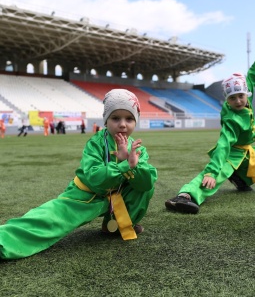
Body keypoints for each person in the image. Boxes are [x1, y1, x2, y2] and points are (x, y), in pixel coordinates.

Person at [0, 89, 158, 260]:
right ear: (106, 120)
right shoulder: (95, 143)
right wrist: (122, 164)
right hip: (86, 195)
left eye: (129, 119)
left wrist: (134, 166)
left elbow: (146, 184)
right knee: (48, 218)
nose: (122, 124)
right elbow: (95, 178)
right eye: (115, 118)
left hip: (115, 197)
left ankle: (118, 226)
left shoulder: (138, 149)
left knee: (144, 188)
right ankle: (5, 242)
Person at [165, 46, 255, 214]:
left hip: (247, 152)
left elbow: (253, 75)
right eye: (232, 98)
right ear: (227, 99)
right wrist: (212, 172)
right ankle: (185, 196)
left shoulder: (245, 89)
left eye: (241, 96)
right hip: (233, 152)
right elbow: (223, 145)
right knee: (215, 175)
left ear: (246, 93)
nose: (238, 101)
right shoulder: (232, 119)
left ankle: (240, 178)